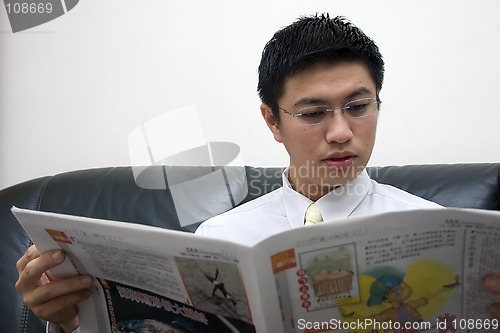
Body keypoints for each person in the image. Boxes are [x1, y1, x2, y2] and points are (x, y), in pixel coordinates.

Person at [15, 13, 500, 333]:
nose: (340, 133)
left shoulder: (438, 228)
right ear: (273, 121)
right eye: (313, 113)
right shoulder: (219, 238)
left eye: (358, 106)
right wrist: (68, 321)